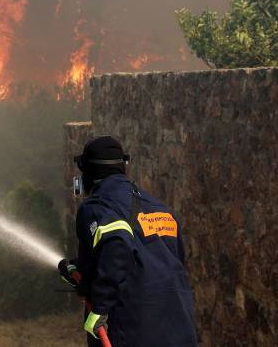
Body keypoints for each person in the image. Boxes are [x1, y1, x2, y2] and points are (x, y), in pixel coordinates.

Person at [58, 136, 198, 347]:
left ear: (87, 174)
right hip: (179, 328)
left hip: (133, 329)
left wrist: (100, 308)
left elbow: (117, 243)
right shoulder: (162, 211)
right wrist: (78, 271)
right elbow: (148, 258)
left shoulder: (97, 207)